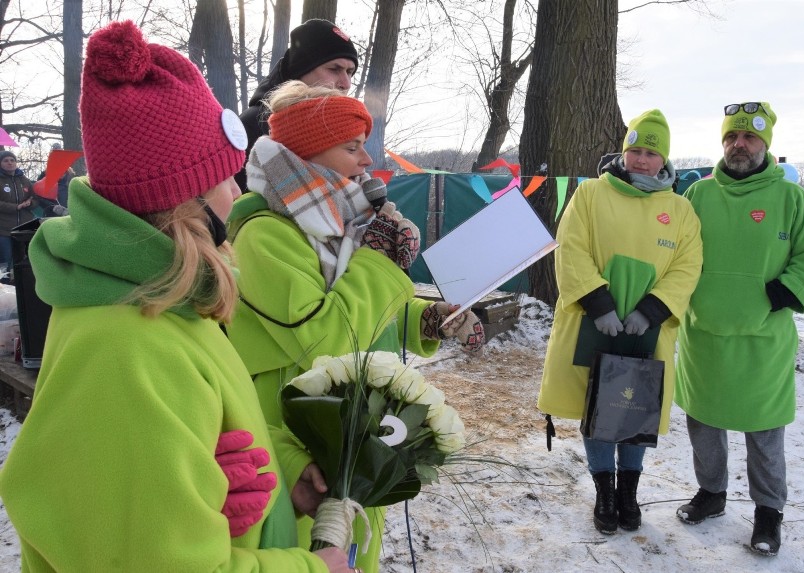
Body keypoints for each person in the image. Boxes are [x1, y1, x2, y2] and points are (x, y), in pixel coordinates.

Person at [0, 21, 353, 573]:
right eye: (224, 178)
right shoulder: (122, 349)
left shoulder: (164, 301)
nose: (236, 196)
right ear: (179, 200)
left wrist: (275, 484)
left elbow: (171, 472)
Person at [226, 80, 484, 573]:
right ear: (307, 155)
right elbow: (324, 338)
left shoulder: (344, 224)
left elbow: (369, 306)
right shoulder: (265, 236)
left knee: (355, 545)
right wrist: (382, 262)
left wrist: (425, 318)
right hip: (295, 432)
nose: (366, 161)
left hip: (353, 418)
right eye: (351, 147)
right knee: (308, 548)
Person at [538, 109, 703, 534]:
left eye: (650, 152)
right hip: (595, 323)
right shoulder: (591, 194)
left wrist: (652, 309)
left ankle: (629, 491)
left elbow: (687, 266)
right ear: (624, 151)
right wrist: (598, 302)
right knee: (598, 405)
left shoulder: (680, 210)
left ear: (663, 159)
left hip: (647, 330)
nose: (641, 159)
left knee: (635, 408)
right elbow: (571, 247)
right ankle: (604, 491)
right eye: (635, 150)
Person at [674, 101, 804, 556]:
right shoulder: (698, 195)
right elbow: (675, 250)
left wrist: (784, 293)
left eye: (749, 137)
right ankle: (712, 494)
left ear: (765, 145)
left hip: (764, 338)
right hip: (703, 334)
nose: (739, 145)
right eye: (731, 137)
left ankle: (768, 512)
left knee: (763, 429)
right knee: (703, 423)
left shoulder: (790, 197)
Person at [236, 18, 359, 192]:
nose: (345, 83)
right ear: (301, 70)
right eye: (334, 69)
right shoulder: (253, 125)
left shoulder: (340, 132)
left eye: (350, 72)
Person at [0, 150, 34, 281]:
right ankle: (3, 286)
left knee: (21, 259)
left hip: (23, 228)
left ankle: (21, 286)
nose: (10, 163)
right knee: (5, 259)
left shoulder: (24, 179)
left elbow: (34, 197)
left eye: (12, 160)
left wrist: (30, 203)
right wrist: (16, 207)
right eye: (6, 160)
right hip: (4, 229)